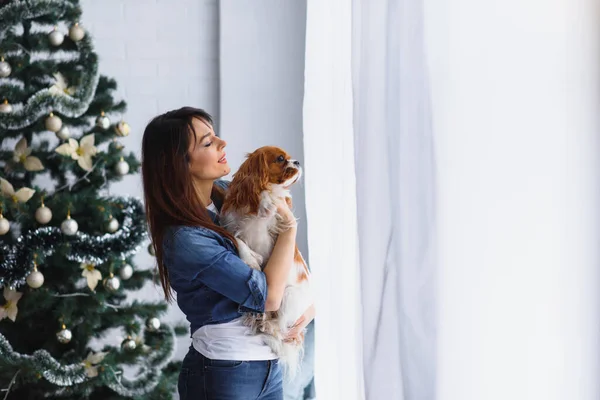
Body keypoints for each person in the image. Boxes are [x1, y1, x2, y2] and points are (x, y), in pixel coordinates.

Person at [141, 107, 315, 400]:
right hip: (224, 372)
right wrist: (288, 229)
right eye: (207, 143)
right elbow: (268, 297)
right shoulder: (186, 239)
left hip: (269, 366)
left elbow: (287, 265)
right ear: (179, 164)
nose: (222, 144)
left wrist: (308, 308)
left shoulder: (230, 196)